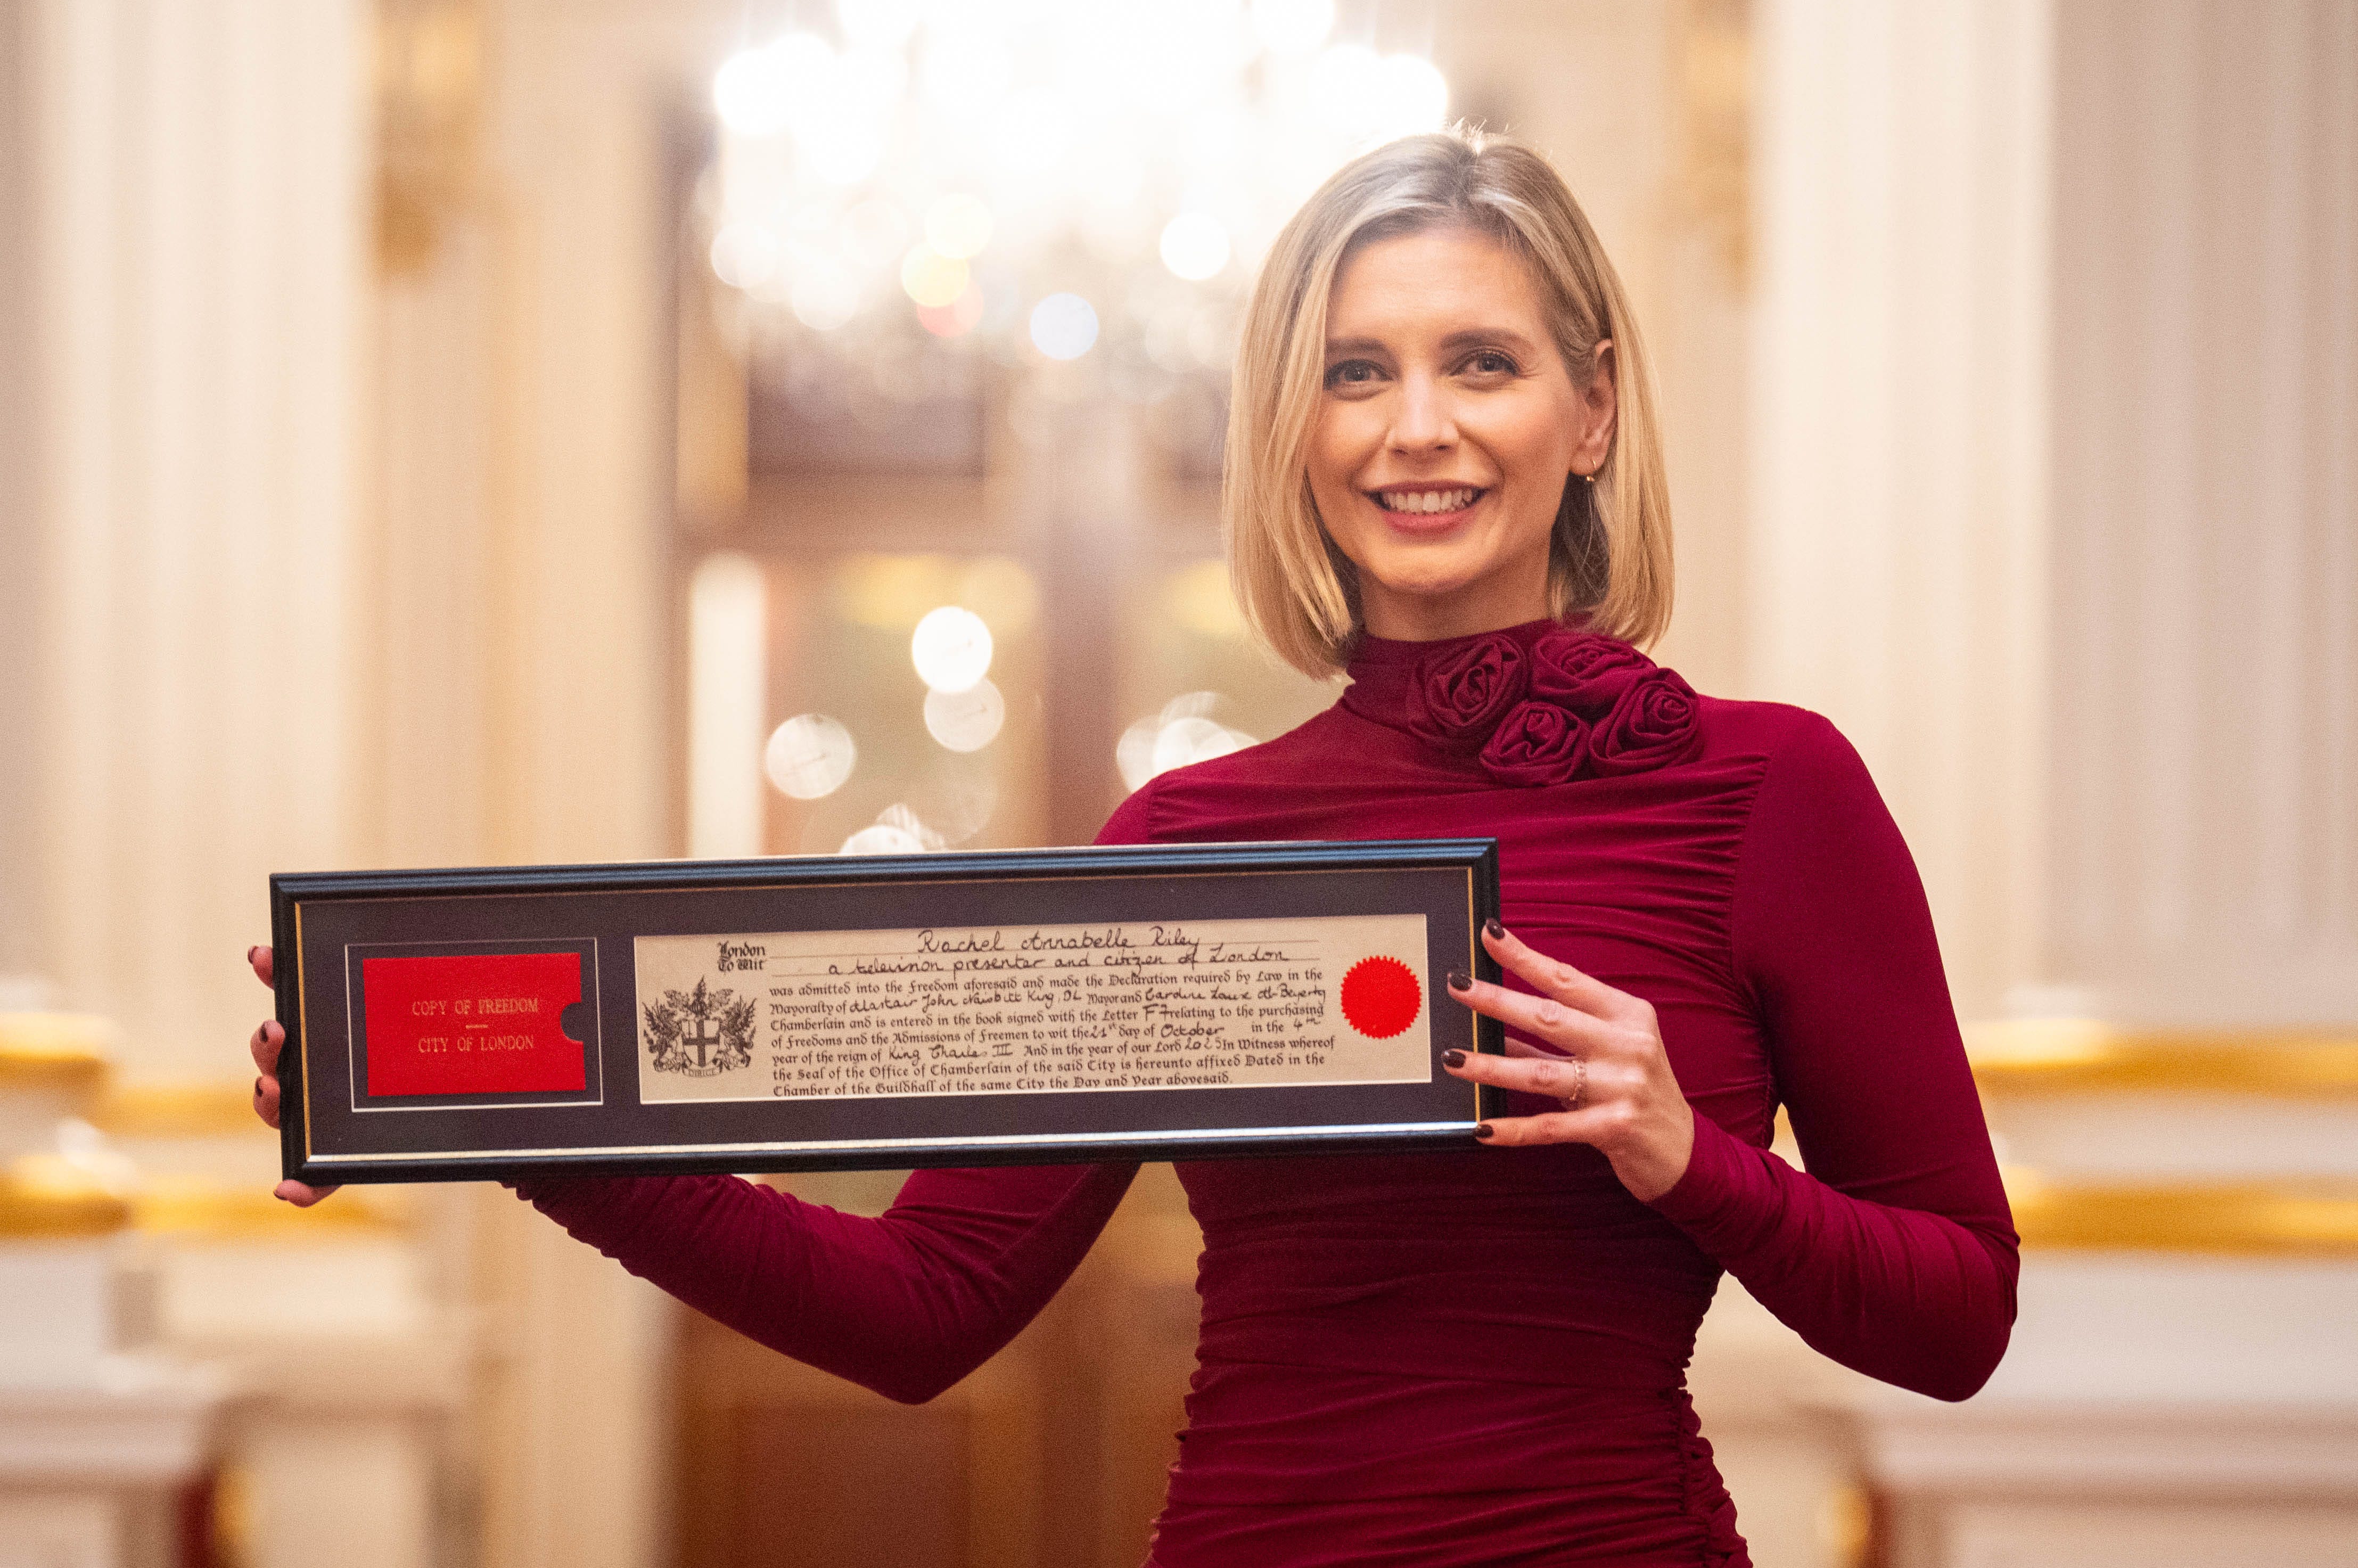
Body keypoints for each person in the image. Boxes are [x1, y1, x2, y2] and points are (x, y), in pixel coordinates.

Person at [247, 130, 2016, 1566]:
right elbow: (922, 1304)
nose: (1419, 426)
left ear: (1595, 410)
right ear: (1294, 431)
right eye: (1355, 372)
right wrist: (499, 1113)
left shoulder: (1769, 791)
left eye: (1483, 361)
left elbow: (1957, 1318)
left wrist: (1684, 1150)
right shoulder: (1185, 843)